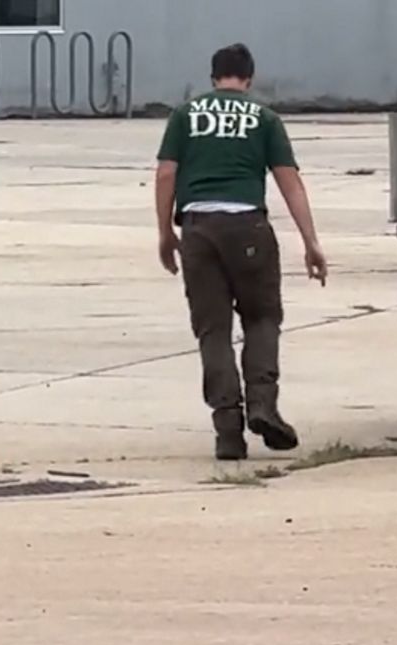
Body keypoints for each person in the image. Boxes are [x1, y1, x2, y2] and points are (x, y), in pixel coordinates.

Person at [153, 42, 329, 461]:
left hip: (198, 229)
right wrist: (310, 241)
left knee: (213, 329)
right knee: (262, 317)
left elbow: (165, 175)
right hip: (248, 226)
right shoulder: (264, 118)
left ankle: (228, 431)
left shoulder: (185, 115)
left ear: (213, 77)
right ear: (249, 78)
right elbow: (290, 182)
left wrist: (165, 233)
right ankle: (264, 405)